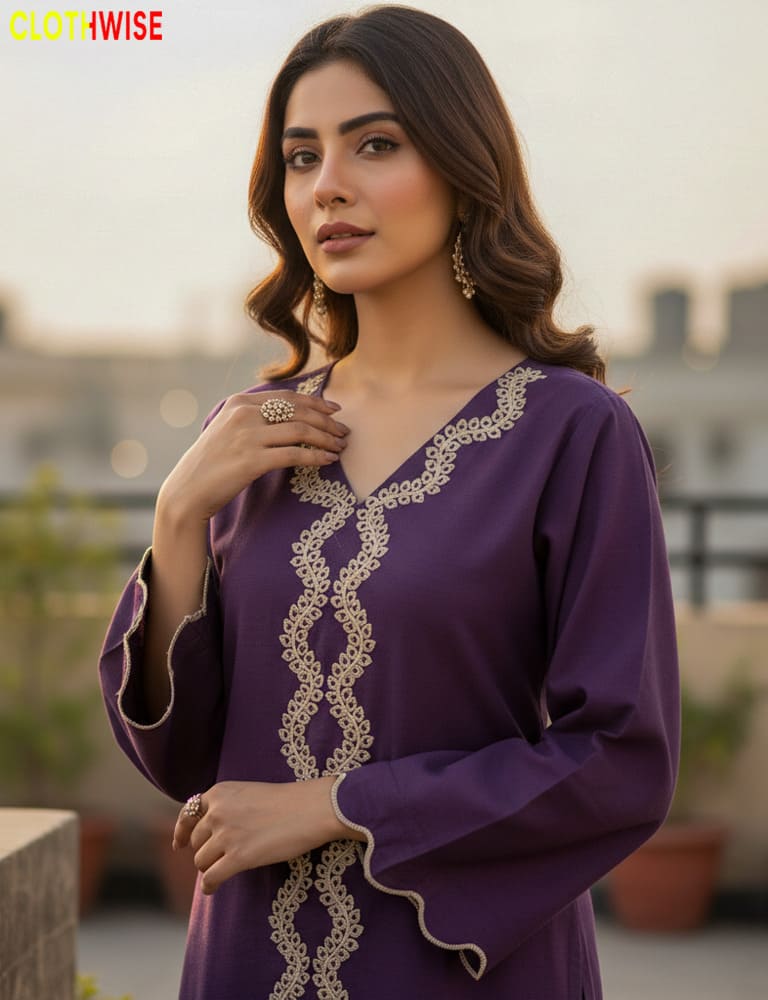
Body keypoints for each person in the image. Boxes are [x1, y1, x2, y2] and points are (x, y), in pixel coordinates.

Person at [98, 6, 680, 999]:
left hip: (463, 969)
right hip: (245, 957)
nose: (328, 185)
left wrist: (338, 804)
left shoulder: (570, 434)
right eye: (300, 155)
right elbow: (182, 755)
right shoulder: (254, 434)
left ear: (461, 164)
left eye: (375, 144)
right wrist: (177, 521)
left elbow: (616, 760)